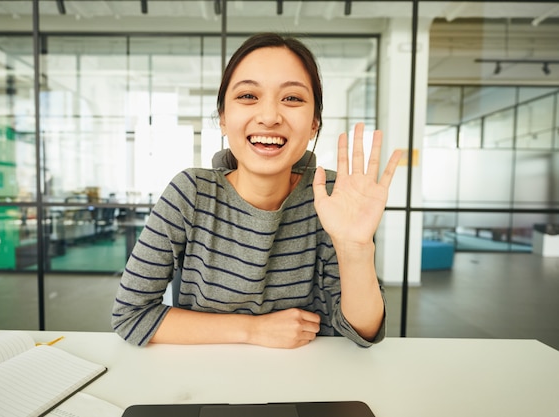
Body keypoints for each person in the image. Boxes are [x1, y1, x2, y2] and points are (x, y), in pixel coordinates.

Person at [111, 32, 402, 349]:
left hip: (311, 381)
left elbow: (364, 332)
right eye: (248, 96)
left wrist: (355, 249)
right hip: (208, 380)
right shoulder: (191, 193)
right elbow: (131, 316)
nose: (269, 117)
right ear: (223, 118)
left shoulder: (333, 196)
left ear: (314, 122)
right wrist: (253, 330)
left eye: (292, 98)